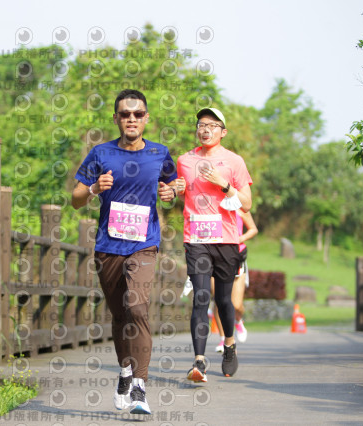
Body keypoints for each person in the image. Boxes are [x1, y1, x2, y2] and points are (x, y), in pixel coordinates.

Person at [71, 89, 180, 414]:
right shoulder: (101, 153)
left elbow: (172, 187)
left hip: (144, 244)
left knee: (137, 307)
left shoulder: (160, 153)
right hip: (108, 246)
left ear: (146, 118)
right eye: (125, 114)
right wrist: (93, 189)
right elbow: (75, 198)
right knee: (120, 315)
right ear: (117, 118)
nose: (131, 119)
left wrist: (170, 192)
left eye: (137, 114)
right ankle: (124, 371)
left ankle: (140, 387)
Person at [175, 107, 252, 380]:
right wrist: (172, 189)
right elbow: (177, 188)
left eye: (212, 125)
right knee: (201, 297)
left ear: (223, 131)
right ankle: (199, 361)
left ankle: (229, 345)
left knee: (224, 301)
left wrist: (224, 185)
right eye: (201, 124)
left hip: (227, 239)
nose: (205, 129)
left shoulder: (235, 161)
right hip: (196, 239)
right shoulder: (184, 160)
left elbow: (247, 203)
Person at [212, 209, 258, 352]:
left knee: (236, 304)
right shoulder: (212, 207)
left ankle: (238, 321)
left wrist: (239, 238)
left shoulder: (239, 206)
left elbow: (253, 230)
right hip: (215, 257)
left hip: (236, 257)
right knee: (218, 300)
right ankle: (222, 339)